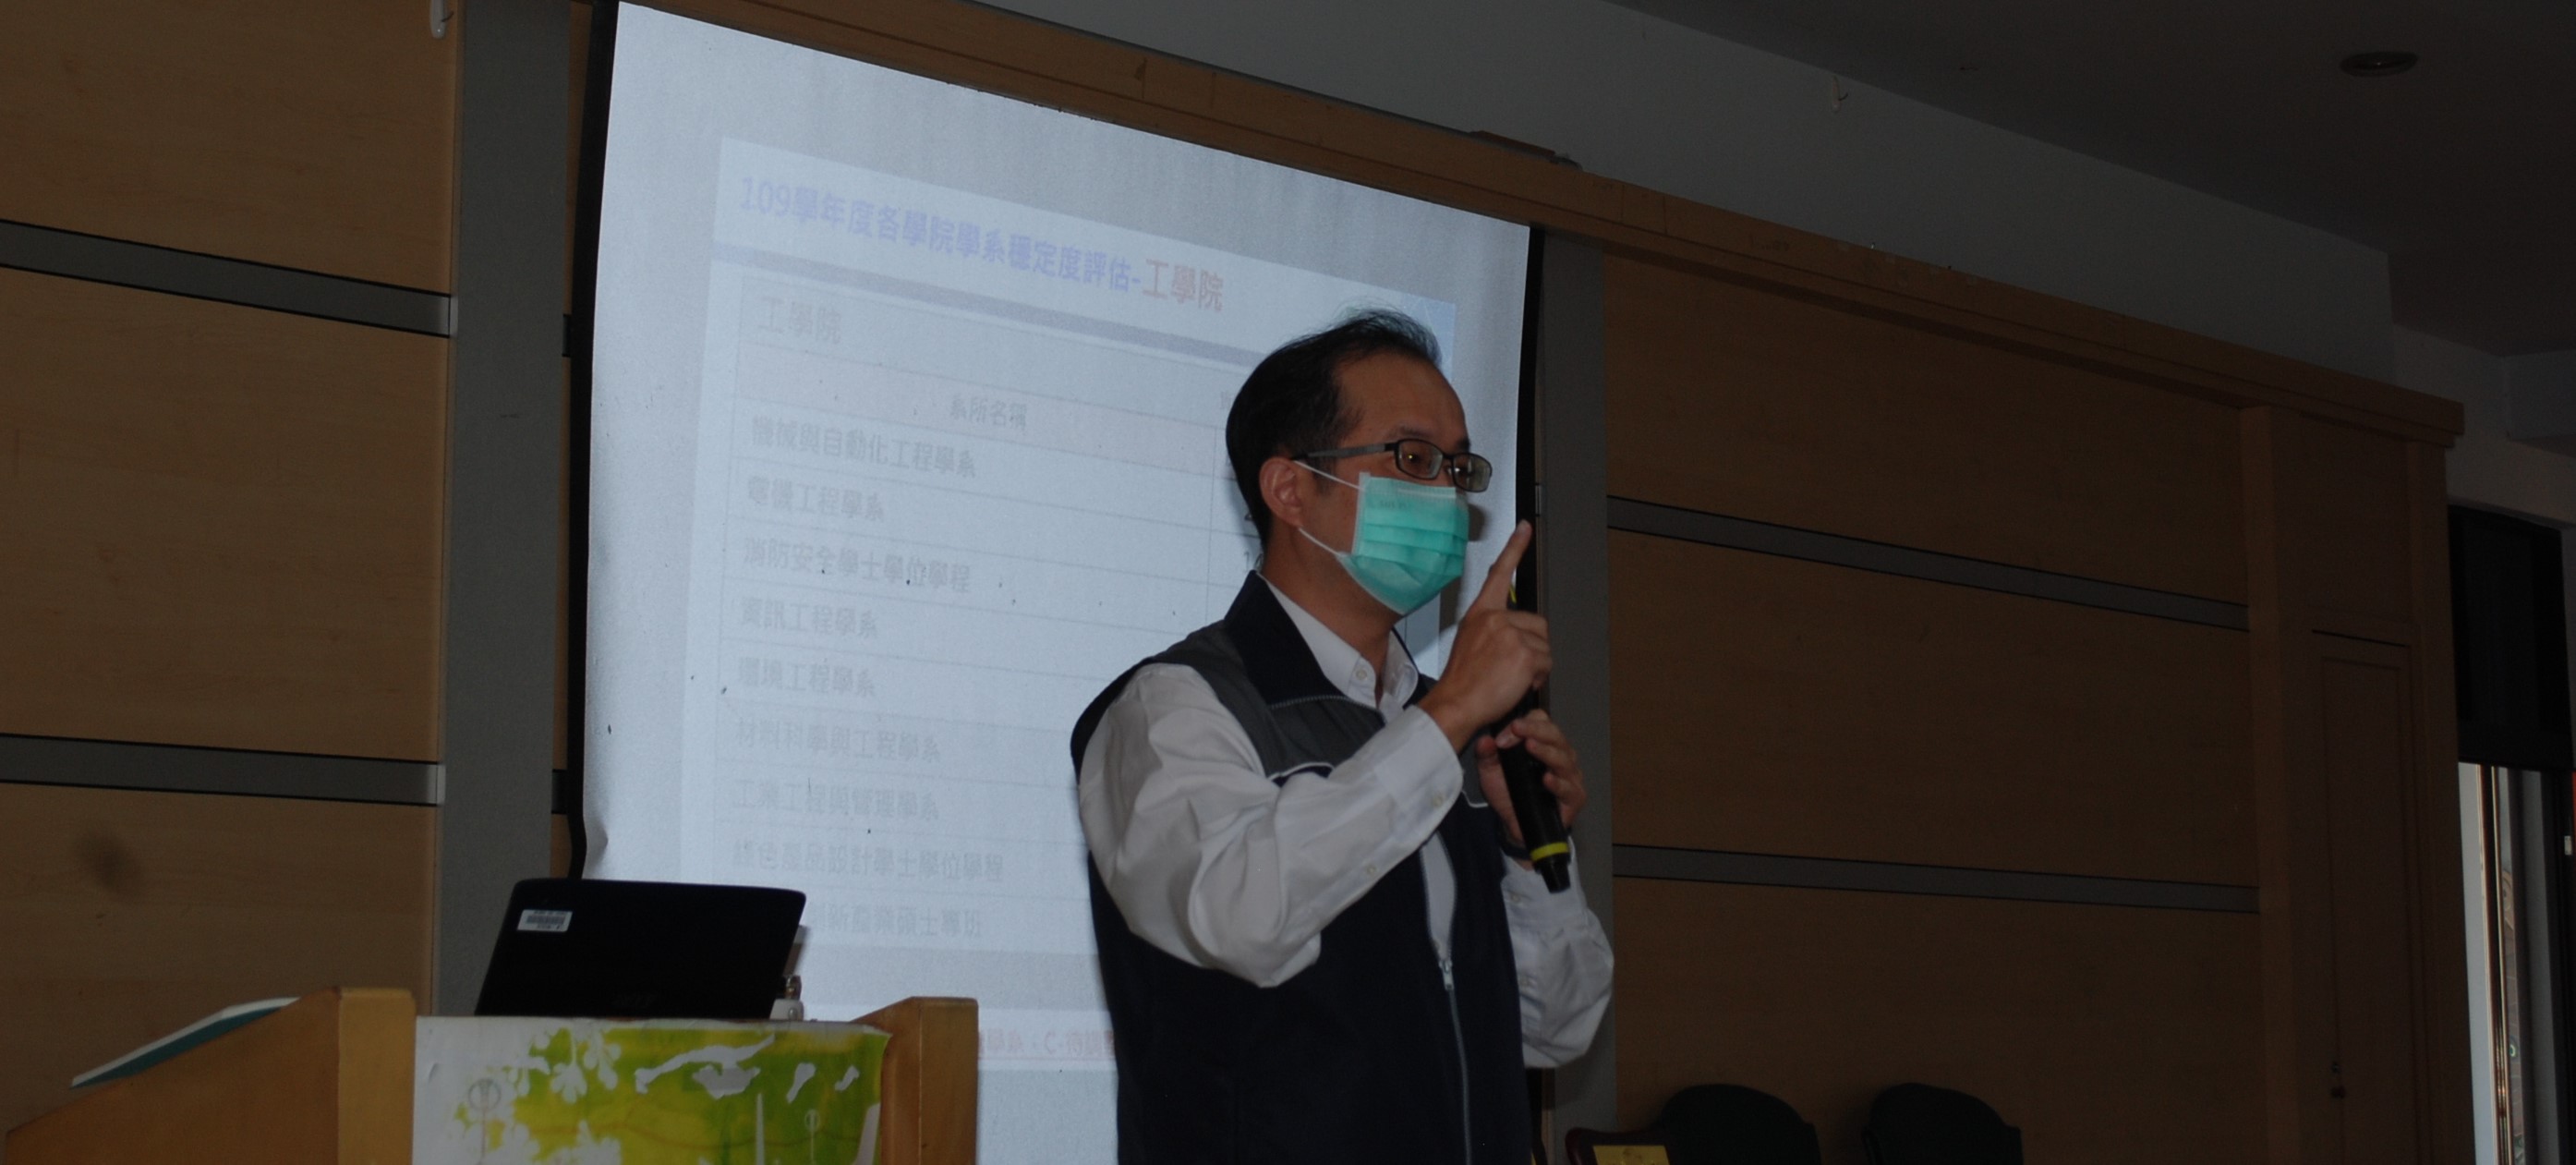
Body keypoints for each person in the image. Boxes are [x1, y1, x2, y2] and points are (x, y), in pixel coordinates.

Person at [1070, 309, 1613, 1165]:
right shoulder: (1175, 705)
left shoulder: (1447, 729)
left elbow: (1556, 1027)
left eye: (1457, 466)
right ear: (1290, 490)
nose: (1446, 493)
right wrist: (1445, 719)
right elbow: (1237, 915)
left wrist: (1524, 851)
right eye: (1412, 458)